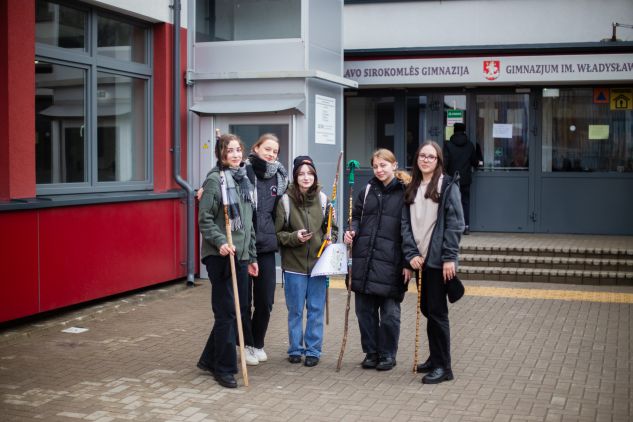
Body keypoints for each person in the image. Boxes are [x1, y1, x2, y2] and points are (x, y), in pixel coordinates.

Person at [344, 149, 417, 371]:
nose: (379, 170)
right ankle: (371, 352)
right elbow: (356, 217)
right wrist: (351, 230)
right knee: (364, 312)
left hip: (392, 262)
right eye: (376, 166)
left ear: (394, 165)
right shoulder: (367, 191)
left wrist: (407, 262)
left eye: (383, 165)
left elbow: (412, 229)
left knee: (389, 314)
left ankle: (387, 354)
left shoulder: (406, 192)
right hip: (365, 259)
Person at [197, 133, 259, 389]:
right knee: (226, 313)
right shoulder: (215, 181)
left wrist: (252, 255)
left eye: (238, 150)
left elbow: (247, 225)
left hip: (241, 255)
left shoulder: (244, 180)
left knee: (238, 309)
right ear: (221, 155)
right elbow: (205, 220)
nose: (235, 154)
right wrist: (221, 242)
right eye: (229, 150)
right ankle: (224, 368)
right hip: (220, 255)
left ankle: (208, 359)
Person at [405, 141, 465, 384]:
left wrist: (450, 257)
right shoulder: (412, 187)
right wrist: (410, 254)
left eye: (431, 157)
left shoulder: (448, 186)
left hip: (438, 261)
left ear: (438, 160)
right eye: (422, 156)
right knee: (428, 310)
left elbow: (455, 223)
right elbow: (405, 224)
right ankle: (434, 358)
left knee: (438, 313)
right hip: (419, 260)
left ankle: (444, 367)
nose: (426, 160)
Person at [275, 156, 337, 367]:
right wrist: (294, 237)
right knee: (295, 310)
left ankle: (313, 351)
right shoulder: (285, 201)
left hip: (319, 265)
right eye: (301, 174)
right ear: (295, 177)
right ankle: (295, 349)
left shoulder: (323, 200)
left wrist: (331, 240)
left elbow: (333, 230)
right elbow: (277, 234)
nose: (306, 177)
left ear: (315, 176)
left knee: (316, 309)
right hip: (294, 266)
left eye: (309, 173)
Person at [242, 134, 289, 365]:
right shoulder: (242, 171)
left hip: (267, 246)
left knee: (265, 301)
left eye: (275, 151)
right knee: (243, 300)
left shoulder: (279, 177)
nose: (271, 154)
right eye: (267, 149)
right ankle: (246, 345)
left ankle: (257, 343)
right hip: (244, 246)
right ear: (256, 148)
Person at [443, 123, 478, 234]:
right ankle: (466, 227)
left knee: (450, 203)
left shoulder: (448, 145)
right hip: (465, 180)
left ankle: (452, 227)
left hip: (451, 179)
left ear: (454, 130)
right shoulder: (470, 145)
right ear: (464, 131)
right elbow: (475, 162)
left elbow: (445, 162)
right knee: (465, 202)